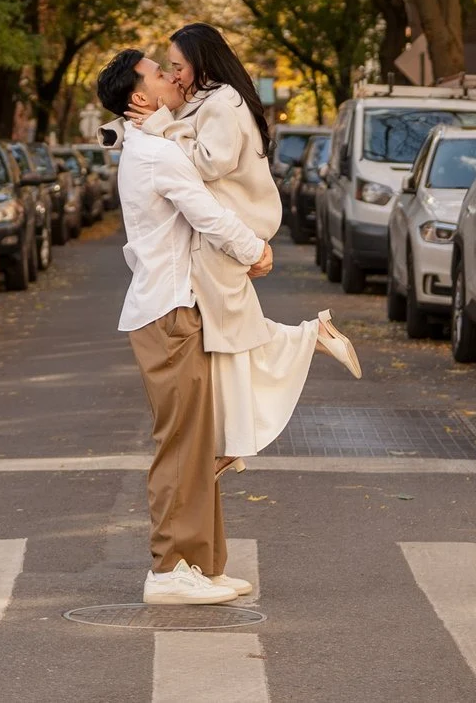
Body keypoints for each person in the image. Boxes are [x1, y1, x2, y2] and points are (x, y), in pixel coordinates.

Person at [135, 24, 359, 463]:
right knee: (224, 337)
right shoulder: (212, 99)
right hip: (225, 229)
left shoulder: (223, 101)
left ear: (201, 61)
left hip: (231, 226)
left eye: (178, 66)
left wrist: (164, 127)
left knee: (228, 336)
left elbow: (207, 163)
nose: (175, 75)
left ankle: (309, 340)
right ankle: (232, 441)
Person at [103, 48, 271, 607]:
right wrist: (256, 250)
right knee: (180, 445)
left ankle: (201, 564)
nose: (172, 77)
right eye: (159, 73)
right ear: (138, 98)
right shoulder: (156, 153)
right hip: (169, 313)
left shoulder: (151, 147)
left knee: (199, 444)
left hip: (173, 309)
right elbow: (209, 214)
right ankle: (170, 568)